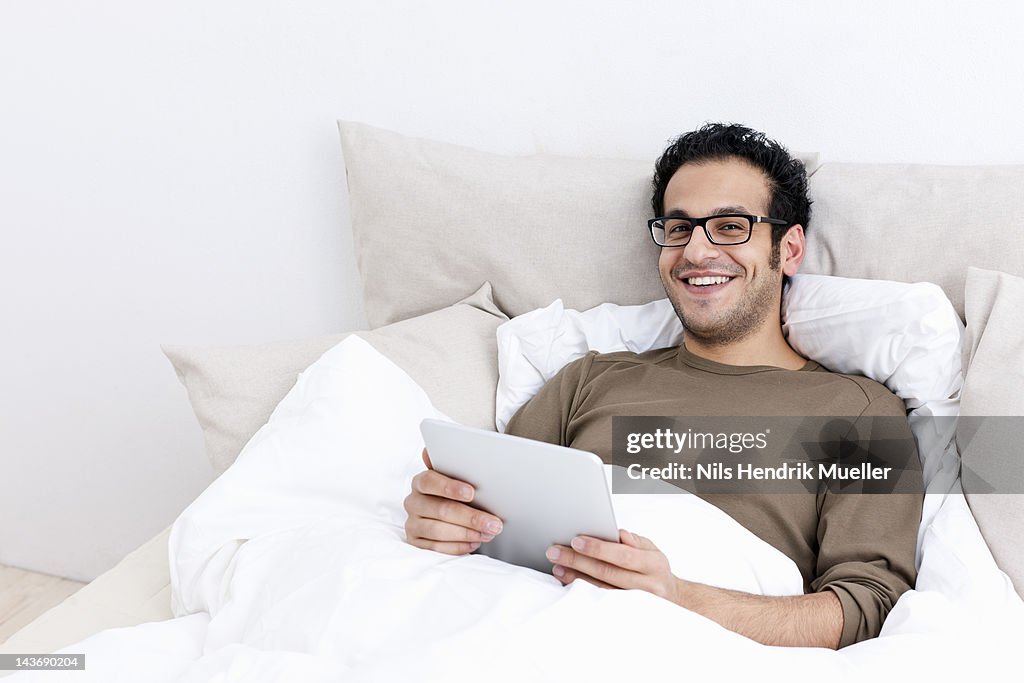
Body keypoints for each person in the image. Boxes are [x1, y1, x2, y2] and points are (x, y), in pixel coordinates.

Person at [402, 123, 923, 649]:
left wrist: (676, 597)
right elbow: (497, 527)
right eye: (679, 229)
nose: (695, 252)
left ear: (788, 249)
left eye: (729, 226)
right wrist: (445, 523)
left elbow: (867, 608)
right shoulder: (588, 379)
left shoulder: (862, 412)